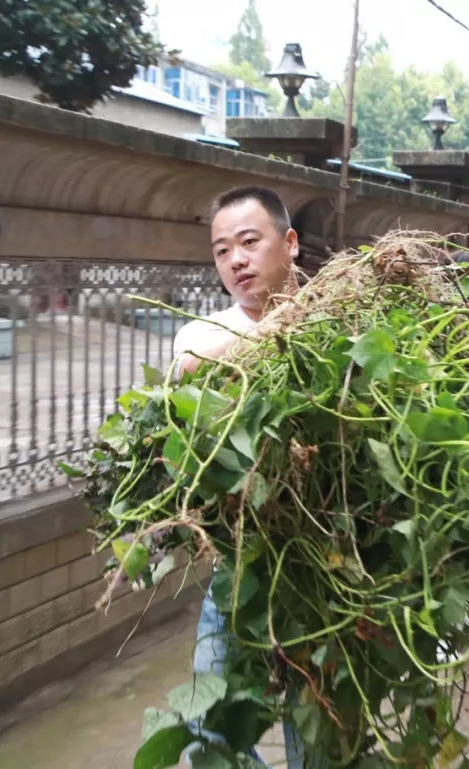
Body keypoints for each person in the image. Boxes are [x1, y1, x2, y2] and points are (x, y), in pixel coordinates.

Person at [171, 186, 310, 768]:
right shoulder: (202, 333)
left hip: (329, 564)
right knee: (211, 724)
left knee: (323, 735)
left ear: (290, 243)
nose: (236, 260)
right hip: (243, 567)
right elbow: (189, 370)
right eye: (222, 249)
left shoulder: (348, 317)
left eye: (249, 242)